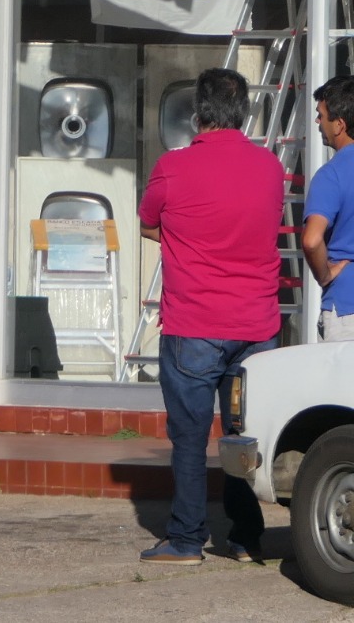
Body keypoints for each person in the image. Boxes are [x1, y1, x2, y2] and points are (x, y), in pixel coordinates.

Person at [137, 67, 284, 566]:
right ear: (244, 114)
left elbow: (149, 224)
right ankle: (245, 537)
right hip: (257, 325)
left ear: (197, 113)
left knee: (189, 438)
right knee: (243, 436)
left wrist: (186, 243)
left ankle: (186, 539)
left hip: (194, 324)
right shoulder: (269, 167)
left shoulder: (171, 168)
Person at [305, 76, 354, 341]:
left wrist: (325, 275)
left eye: (321, 115)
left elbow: (312, 241)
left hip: (346, 307)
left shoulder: (332, 174)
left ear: (340, 125)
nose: (317, 123)